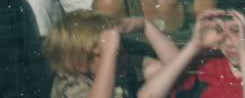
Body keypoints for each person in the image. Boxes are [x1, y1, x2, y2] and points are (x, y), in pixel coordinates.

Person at [44, 10, 179, 98]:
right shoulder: (70, 82)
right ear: (80, 63)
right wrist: (110, 51)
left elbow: (176, 68)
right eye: (115, 53)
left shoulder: (121, 62)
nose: (123, 57)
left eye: (121, 49)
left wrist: (146, 25)